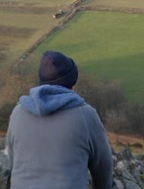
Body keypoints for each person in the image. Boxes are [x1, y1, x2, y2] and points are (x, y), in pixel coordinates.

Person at [6, 50, 113, 189]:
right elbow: (103, 166)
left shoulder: (18, 112)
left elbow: (12, 161)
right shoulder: (85, 115)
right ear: (72, 86)